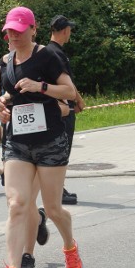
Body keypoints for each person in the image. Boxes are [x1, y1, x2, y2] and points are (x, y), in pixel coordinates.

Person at [0, 6, 81, 268]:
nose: (13, 35)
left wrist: (40, 86)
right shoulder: (5, 63)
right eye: (9, 31)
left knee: (53, 209)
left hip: (50, 141)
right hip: (17, 141)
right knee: (17, 204)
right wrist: (0, 108)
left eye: (19, 30)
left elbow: (70, 93)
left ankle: (69, 246)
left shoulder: (48, 56)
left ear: (33, 29)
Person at [47, 14, 85, 205]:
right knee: (62, 149)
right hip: (62, 109)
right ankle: (57, 191)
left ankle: (57, 189)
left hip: (56, 107)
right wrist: (78, 100)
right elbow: (66, 82)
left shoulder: (48, 51)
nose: (70, 32)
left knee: (59, 149)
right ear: (64, 31)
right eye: (69, 29)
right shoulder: (57, 53)